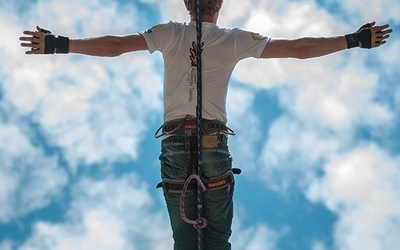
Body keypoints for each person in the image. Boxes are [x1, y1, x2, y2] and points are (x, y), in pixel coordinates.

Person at [19, 0, 392, 249]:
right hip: (213, 143)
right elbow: (298, 49)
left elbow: (115, 45)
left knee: (186, 244)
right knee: (216, 241)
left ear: (186, 2)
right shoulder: (233, 39)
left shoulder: (168, 31)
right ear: (220, 4)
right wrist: (353, 40)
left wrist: (59, 44)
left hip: (175, 143)